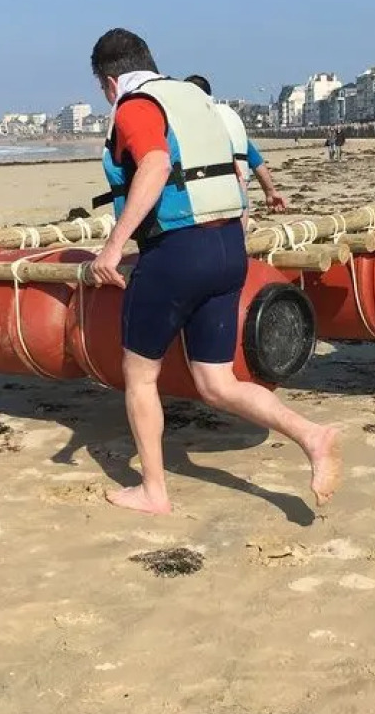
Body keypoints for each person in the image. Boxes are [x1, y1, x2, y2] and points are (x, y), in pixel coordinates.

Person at [85, 29, 341, 515]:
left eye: (102, 89)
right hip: (227, 249)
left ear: (110, 81)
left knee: (139, 375)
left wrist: (113, 247)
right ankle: (312, 435)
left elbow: (155, 165)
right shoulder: (195, 100)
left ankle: (154, 490)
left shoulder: (136, 106)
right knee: (216, 383)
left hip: (178, 252)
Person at [183, 73, 288, 213]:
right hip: (238, 194)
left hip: (206, 197)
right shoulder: (229, 119)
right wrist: (270, 192)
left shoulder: (188, 122)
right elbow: (257, 162)